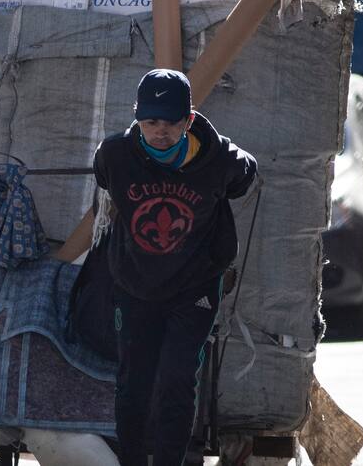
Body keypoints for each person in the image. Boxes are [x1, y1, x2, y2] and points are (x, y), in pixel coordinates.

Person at [92, 68, 257, 466]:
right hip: (134, 283)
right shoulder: (115, 156)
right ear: (137, 118)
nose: (160, 131)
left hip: (194, 286)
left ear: (189, 120)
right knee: (134, 382)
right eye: (150, 122)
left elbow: (245, 173)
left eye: (170, 122)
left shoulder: (220, 160)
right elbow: (103, 179)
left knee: (178, 378)